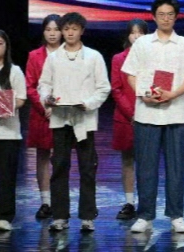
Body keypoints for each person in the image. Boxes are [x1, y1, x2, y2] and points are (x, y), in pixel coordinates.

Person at [122, 0, 184, 234]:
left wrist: (173, 93)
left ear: (176, 17)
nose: (166, 18)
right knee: (146, 168)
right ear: (154, 16)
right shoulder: (142, 43)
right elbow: (130, 73)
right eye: (161, 14)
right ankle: (145, 216)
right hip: (146, 114)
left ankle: (176, 215)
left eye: (170, 15)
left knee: (176, 168)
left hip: (176, 115)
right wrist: (142, 93)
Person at [38, 12, 110, 232]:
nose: (70, 33)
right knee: (59, 167)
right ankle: (60, 216)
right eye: (66, 29)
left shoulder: (94, 56)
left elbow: (103, 87)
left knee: (87, 168)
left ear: (82, 31)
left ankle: (87, 217)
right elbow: (44, 84)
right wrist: (47, 98)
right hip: (60, 119)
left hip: (84, 120)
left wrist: (88, 104)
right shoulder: (54, 57)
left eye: (74, 29)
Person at [0, 29, 27, 232]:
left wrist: (3, 107)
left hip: (8, 133)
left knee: (7, 177)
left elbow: (21, 98)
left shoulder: (14, 71)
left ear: (6, 47)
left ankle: (4, 217)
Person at [111, 19, 149, 220]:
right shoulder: (118, 59)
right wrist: (132, 113)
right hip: (125, 118)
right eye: (133, 32)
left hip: (149, 114)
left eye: (140, 32)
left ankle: (146, 202)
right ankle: (129, 202)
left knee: (146, 162)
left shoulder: (152, 57)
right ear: (128, 35)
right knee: (127, 160)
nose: (136, 36)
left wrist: (144, 111)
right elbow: (116, 89)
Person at [25, 14, 61, 220]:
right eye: (48, 29)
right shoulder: (34, 55)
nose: (52, 33)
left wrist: (58, 108)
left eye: (56, 29)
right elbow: (30, 86)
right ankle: (45, 202)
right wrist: (43, 107)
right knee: (42, 155)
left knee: (61, 156)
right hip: (41, 114)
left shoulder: (70, 54)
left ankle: (59, 199)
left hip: (64, 113)